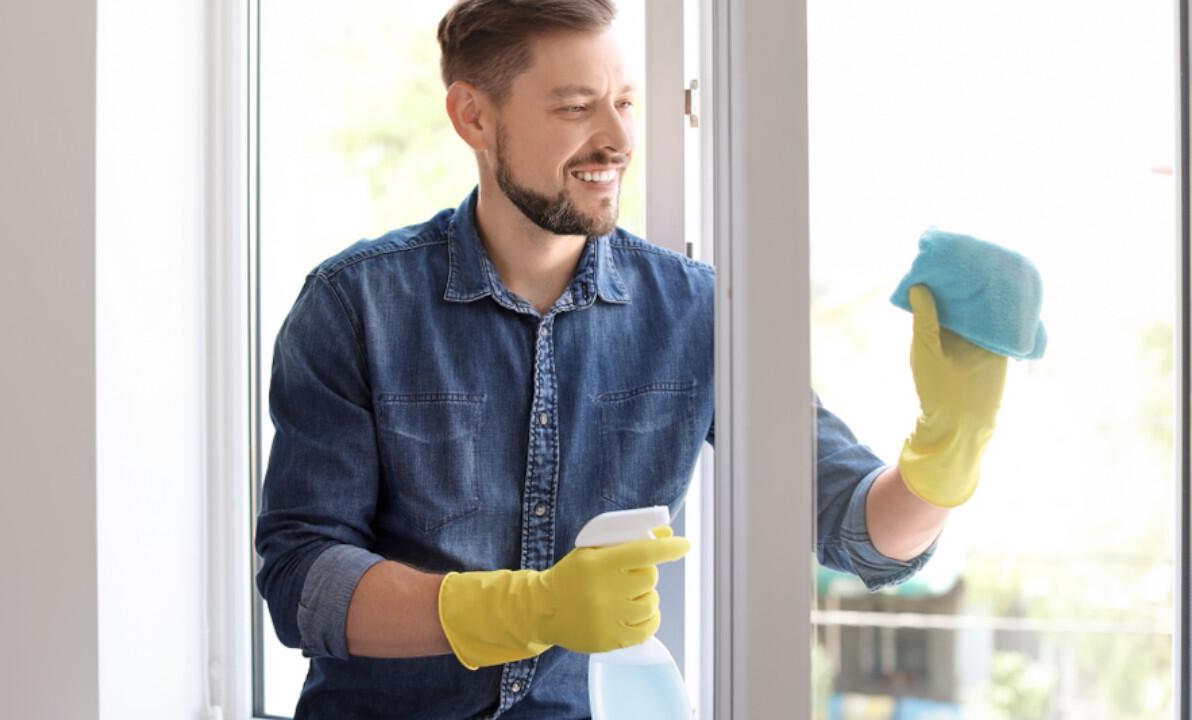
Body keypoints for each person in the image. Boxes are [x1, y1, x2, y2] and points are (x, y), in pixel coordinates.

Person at [254, 1, 1008, 717]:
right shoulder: (355, 305)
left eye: (626, 103)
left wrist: (949, 446)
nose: (616, 139)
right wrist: (525, 608)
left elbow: (854, 529)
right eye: (577, 107)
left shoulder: (695, 311)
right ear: (473, 117)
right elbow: (303, 579)